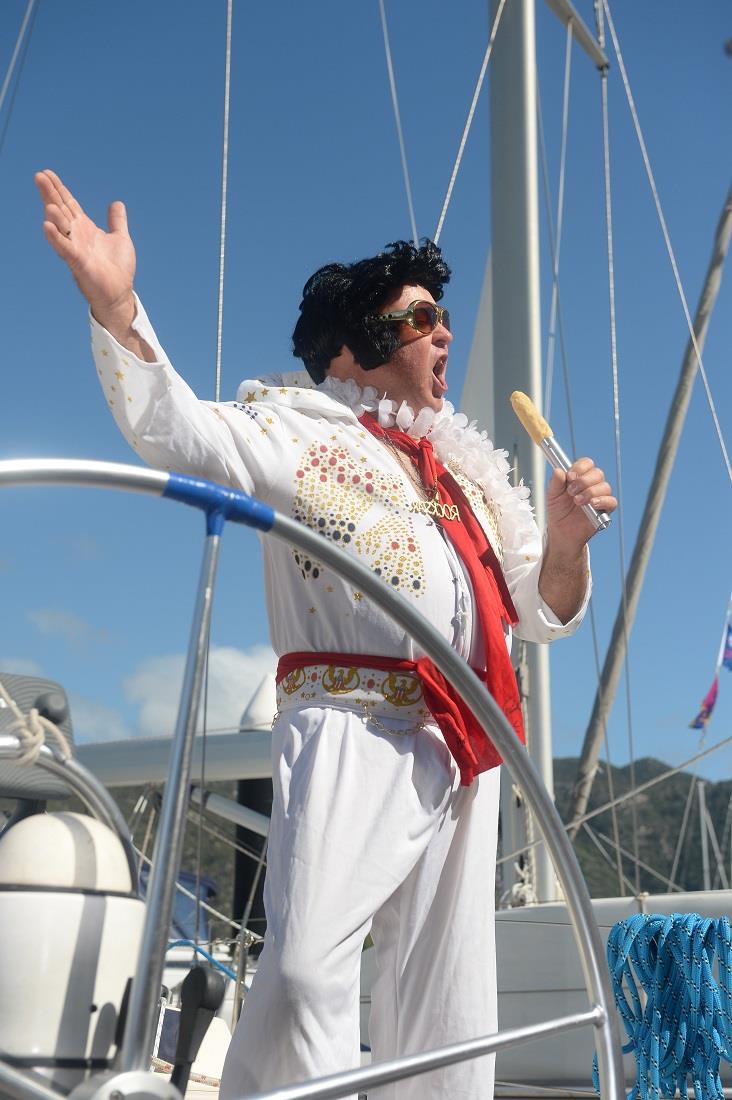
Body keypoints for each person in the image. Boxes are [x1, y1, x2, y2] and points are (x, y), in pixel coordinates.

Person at [35, 168, 616, 1100]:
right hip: (348, 723)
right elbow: (179, 432)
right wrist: (118, 307)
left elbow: (541, 610)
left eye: (443, 316)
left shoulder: (469, 479)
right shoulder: (296, 429)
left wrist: (566, 538)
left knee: (452, 1011)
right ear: (352, 349)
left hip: (464, 744)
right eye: (421, 316)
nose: (444, 333)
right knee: (305, 974)